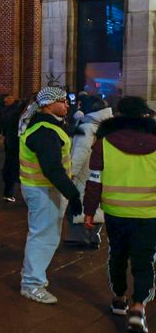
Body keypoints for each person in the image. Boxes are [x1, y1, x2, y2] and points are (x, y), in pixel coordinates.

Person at [84, 96, 156, 333]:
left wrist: (89, 211)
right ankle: (138, 308)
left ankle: (119, 298)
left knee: (117, 255)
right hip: (149, 212)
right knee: (144, 260)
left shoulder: (104, 143)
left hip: (116, 211)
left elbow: (94, 180)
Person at [17, 86, 80, 305]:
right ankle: (32, 284)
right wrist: (73, 194)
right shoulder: (45, 130)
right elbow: (52, 168)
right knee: (44, 236)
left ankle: (31, 277)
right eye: (63, 100)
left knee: (43, 234)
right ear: (47, 105)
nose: (67, 104)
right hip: (43, 188)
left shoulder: (46, 126)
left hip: (41, 187)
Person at [66, 96, 113, 245]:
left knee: (80, 201)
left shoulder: (87, 127)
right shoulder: (108, 126)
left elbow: (80, 153)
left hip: (85, 171)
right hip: (100, 171)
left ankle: (80, 237)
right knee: (97, 203)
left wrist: (70, 173)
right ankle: (94, 236)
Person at [0, 95, 25, 201]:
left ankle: (8, 192)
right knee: (14, 166)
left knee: (11, 166)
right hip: (17, 143)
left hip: (11, 142)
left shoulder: (10, 112)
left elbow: (4, 125)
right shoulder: (16, 112)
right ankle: (9, 192)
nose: (6, 102)